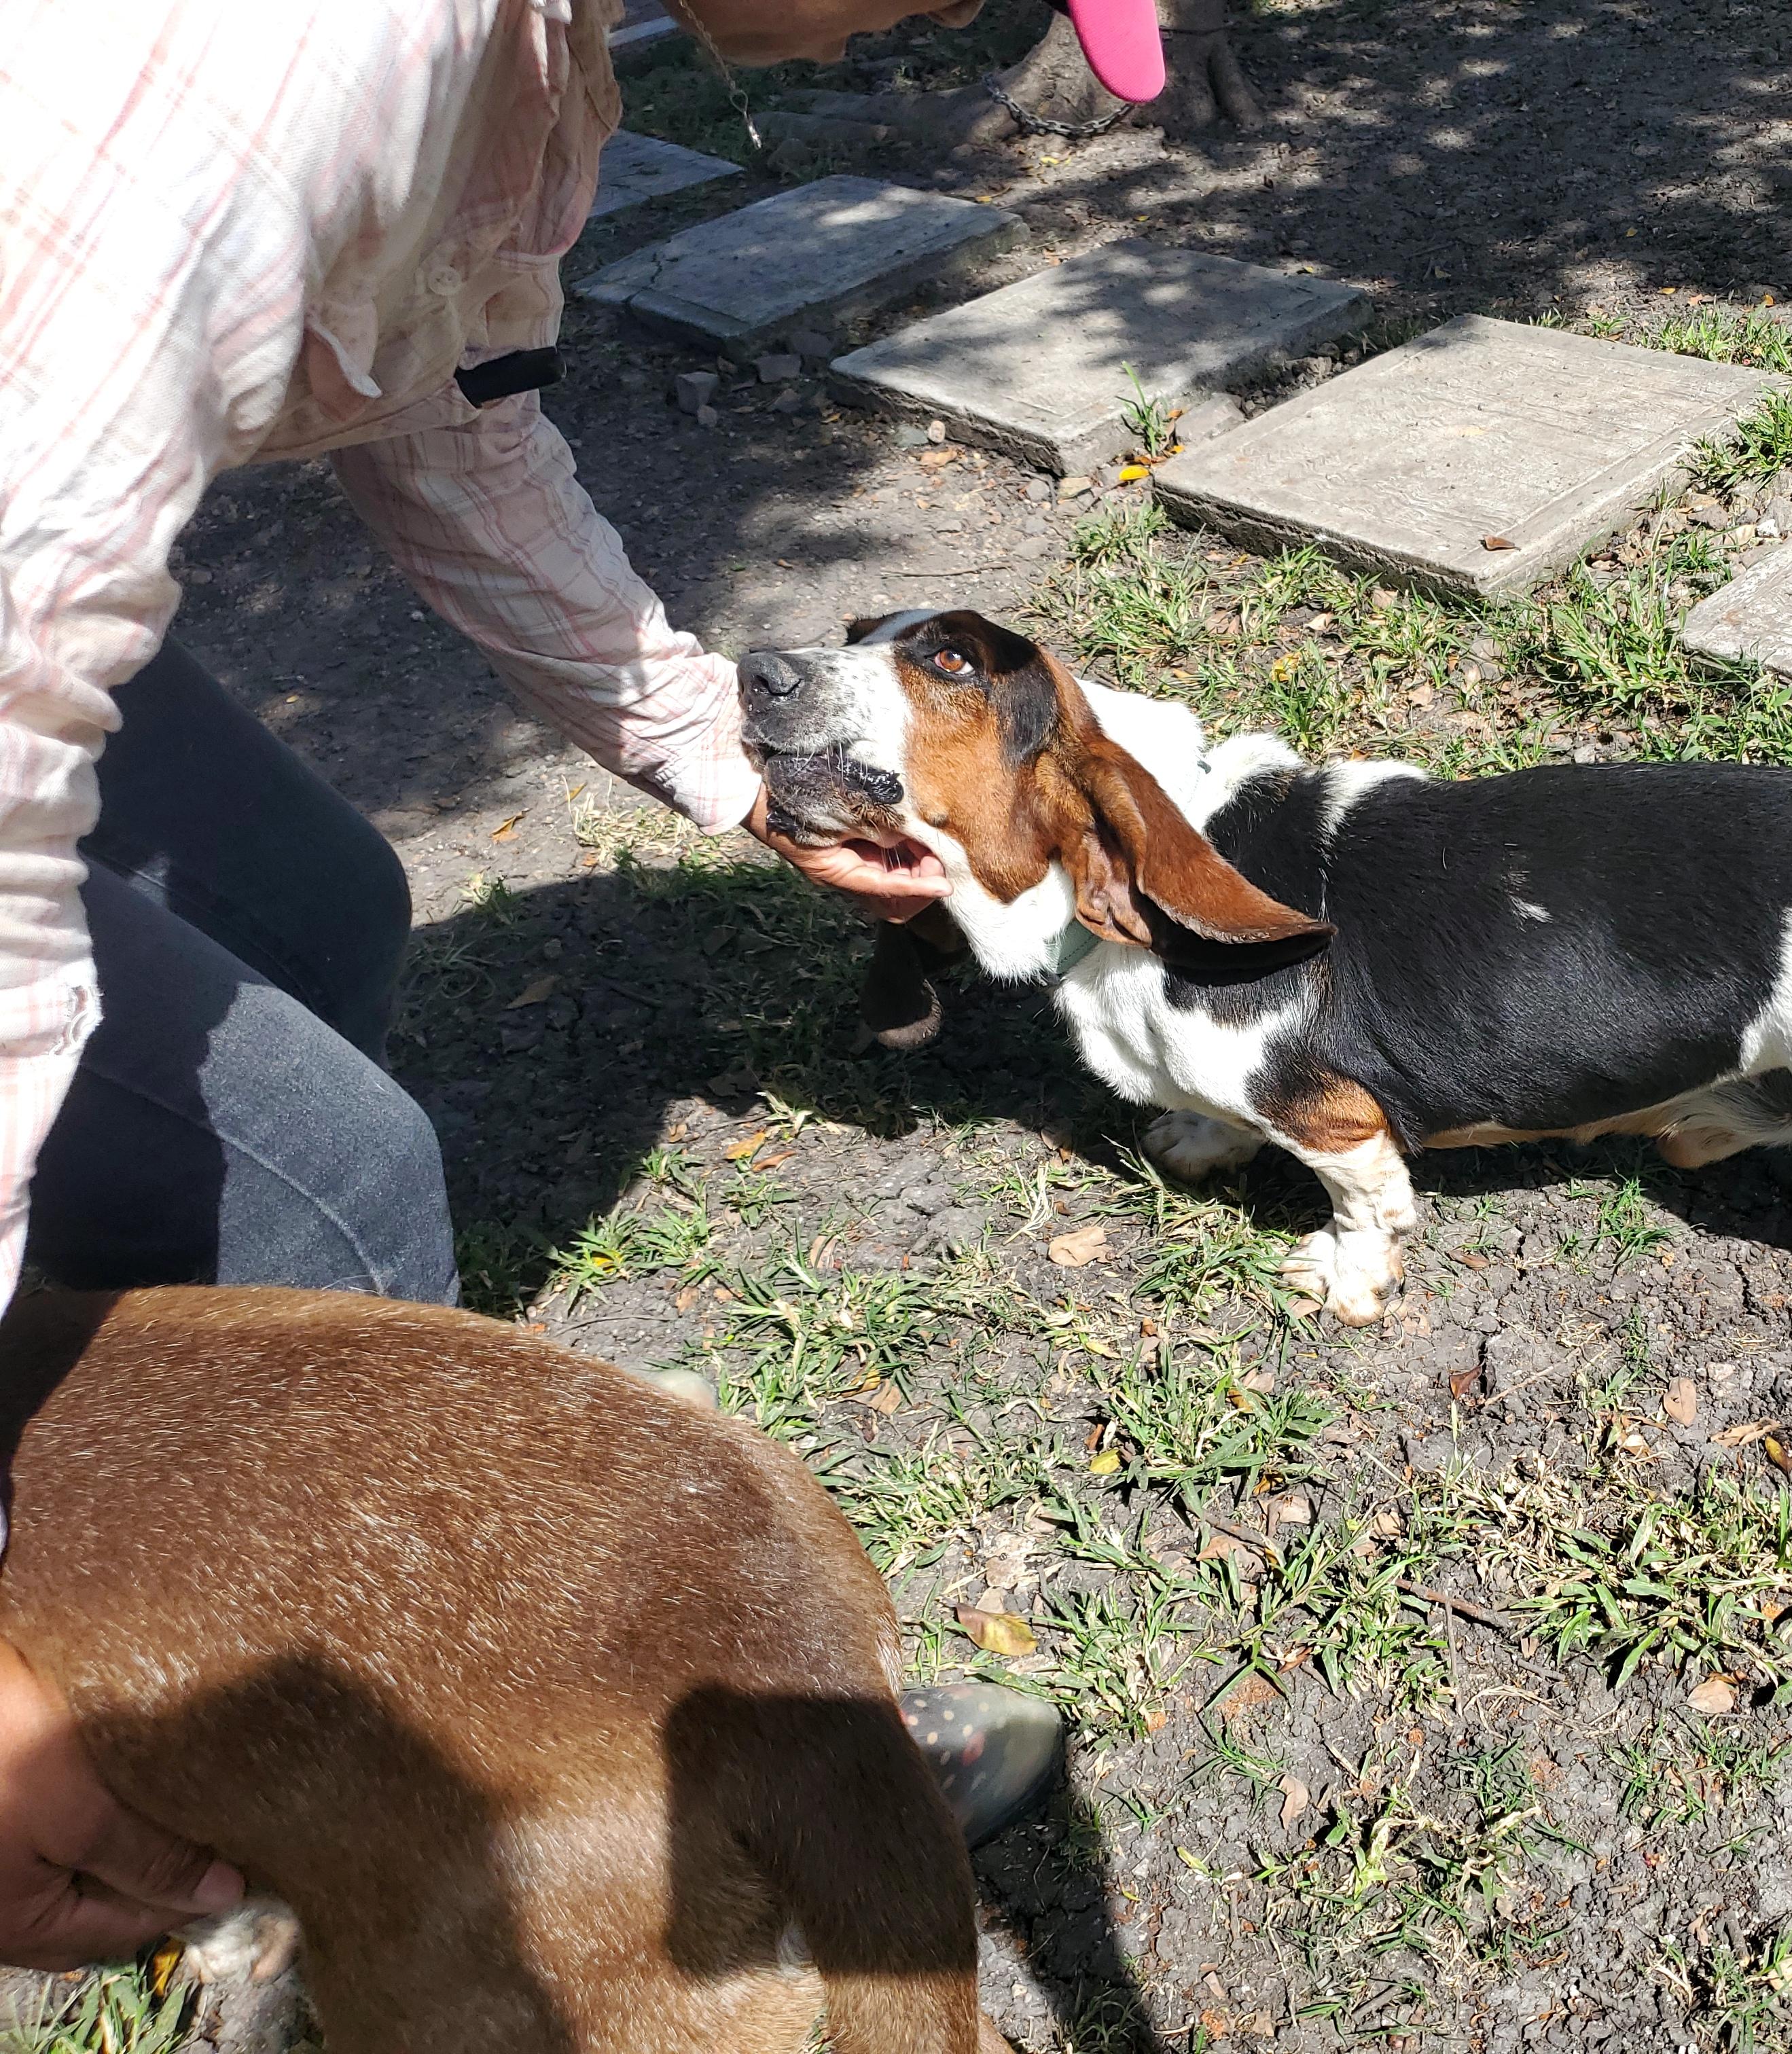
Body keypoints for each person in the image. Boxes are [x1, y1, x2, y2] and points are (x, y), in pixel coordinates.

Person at [0, 0, 1153, 1972]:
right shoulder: (299, 56)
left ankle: (131, 1598)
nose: (954, 15)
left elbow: (453, 428)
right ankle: (434, 1813)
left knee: (316, 910)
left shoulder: (523, 70)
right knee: (335, 1196)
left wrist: (728, 753)